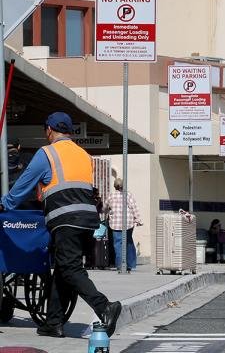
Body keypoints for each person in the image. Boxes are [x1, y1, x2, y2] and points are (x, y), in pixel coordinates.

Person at [0, 112, 121, 338]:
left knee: (70, 268)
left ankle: (104, 307)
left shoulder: (47, 153)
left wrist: (5, 204)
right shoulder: (84, 154)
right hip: (88, 220)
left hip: (67, 220)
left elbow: (24, 184)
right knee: (63, 270)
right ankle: (53, 323)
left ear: (49, 129)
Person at [105, 177, 143, 271]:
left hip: (115, 224)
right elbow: (134, 208)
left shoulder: (111, 195)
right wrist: (138, 220)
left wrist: (106, 212)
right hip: (128, 223)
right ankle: (130, 265)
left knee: (118, 244)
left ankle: (120, 265)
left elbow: (105, 207)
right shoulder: (128, 195)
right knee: (128, 242)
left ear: (115, 186)